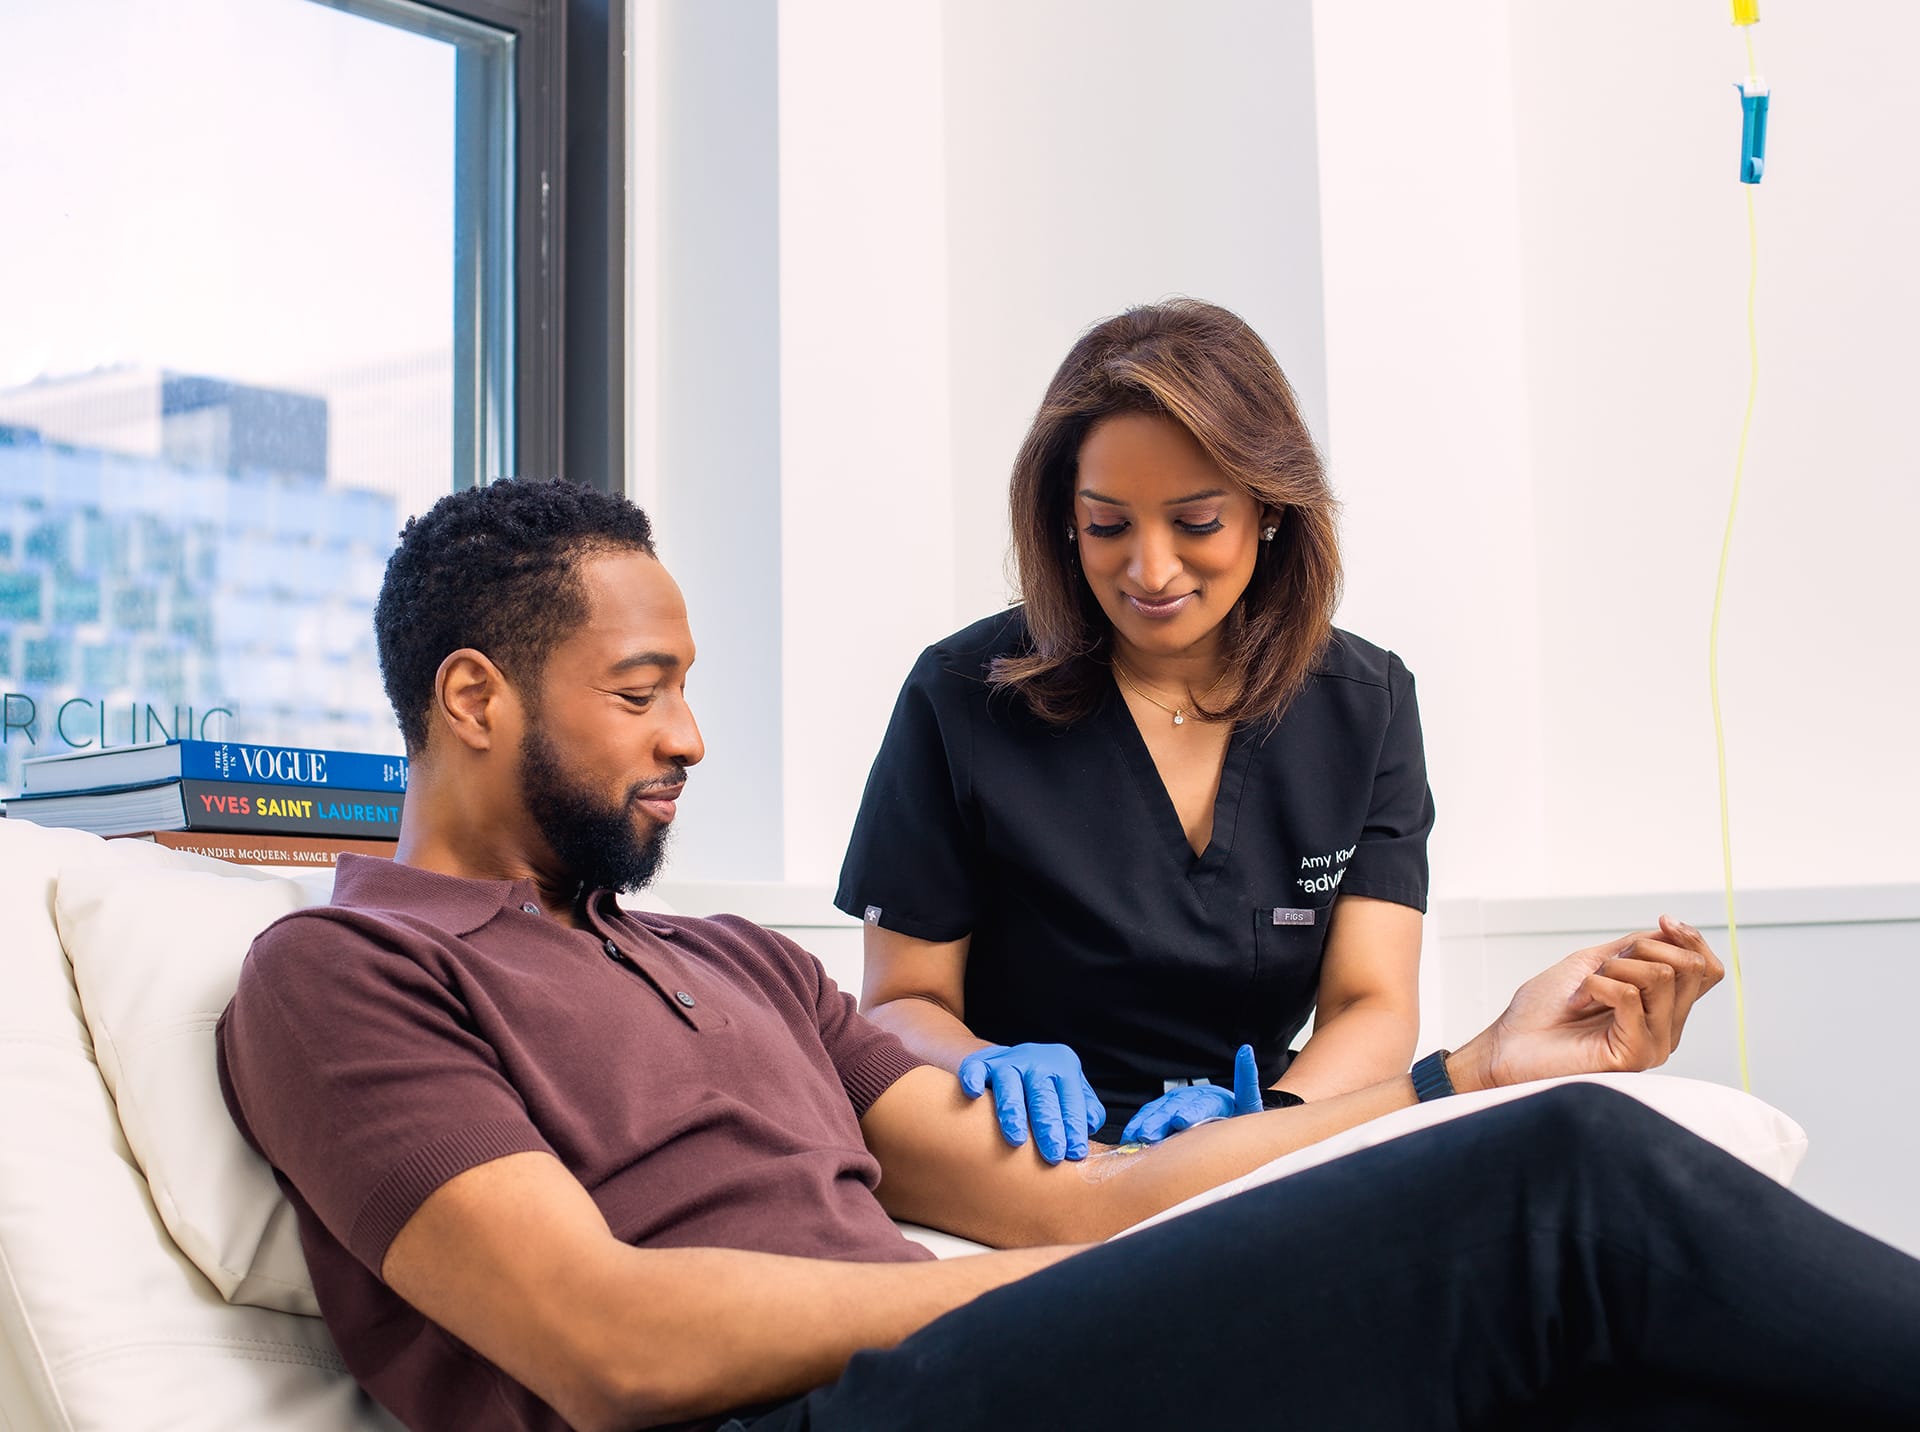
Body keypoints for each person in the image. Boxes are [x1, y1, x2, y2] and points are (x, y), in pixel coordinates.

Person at [217, 479, 1920, 1432]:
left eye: (686, 686)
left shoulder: (746, 964)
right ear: (473, 697)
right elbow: (604, 1340)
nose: (692, 737)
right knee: (1570, 1182)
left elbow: (1078, 1197)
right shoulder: (348, 976)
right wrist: (1024, 1295)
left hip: (967, 1373)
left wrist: (1458, 1072)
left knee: (1611, 1355)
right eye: (643, 690)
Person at [839, 299, 1431, 1159]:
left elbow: (1369, 1004)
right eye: (1108, 525)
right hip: (1025, 1153)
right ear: (1063, 517)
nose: (1151, 570)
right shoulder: (962, 695)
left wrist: (1264, 1120)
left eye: (1197, 523)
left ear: (1269, 508)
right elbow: (900, 1002)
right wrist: (990, 1065)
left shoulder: (1363, 705)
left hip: (1261, 1143)